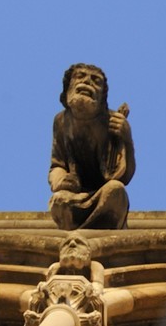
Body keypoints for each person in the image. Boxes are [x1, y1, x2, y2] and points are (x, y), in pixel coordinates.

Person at [48, 63, 134, 230]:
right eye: (80, 76)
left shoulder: (112, 123)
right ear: (67, 89)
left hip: (103, 194)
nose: (87, 82)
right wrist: (60, 181)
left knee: (116, 191)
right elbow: (57, 165)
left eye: (96, 81)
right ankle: (82, 232)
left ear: (102, 97)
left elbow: (123, 176)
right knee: (59, 201)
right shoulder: (61, 122)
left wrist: (127, 138)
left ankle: (84, 232)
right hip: (75, 196)